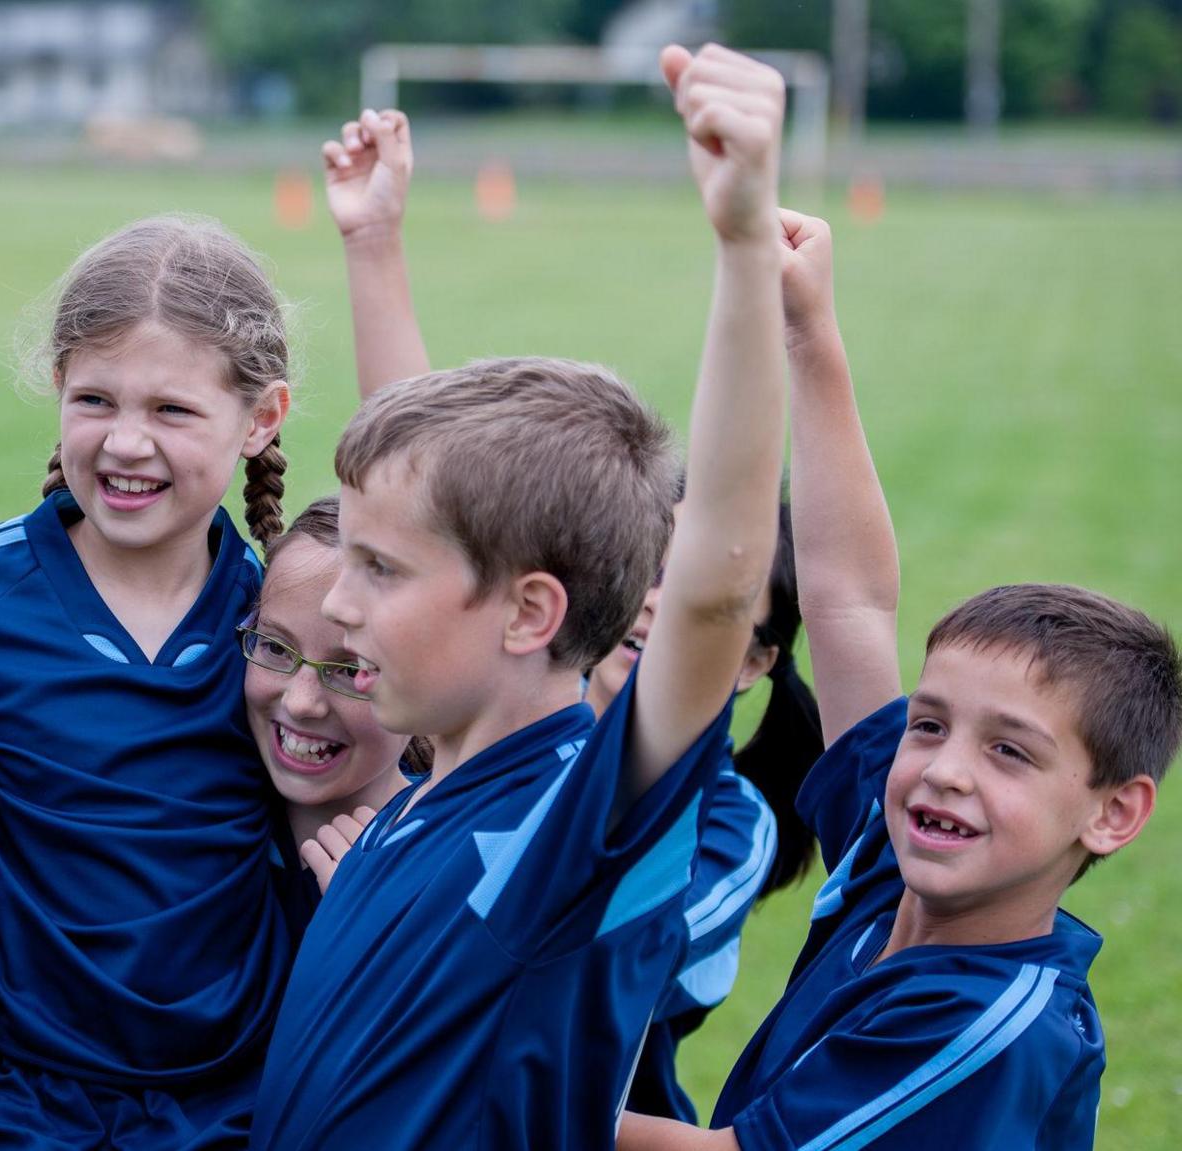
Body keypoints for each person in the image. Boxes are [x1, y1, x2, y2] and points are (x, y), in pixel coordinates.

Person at [250, 44, 792, 1149]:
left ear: (528, 614)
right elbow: (423, 489)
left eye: (377, 573)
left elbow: (708, 593)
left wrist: (741, 247)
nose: (336, 605)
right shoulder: (426, 764)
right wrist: (371, 246)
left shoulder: (568, 826)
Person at [612, 209, 1182, 1151]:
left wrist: (483, 1064)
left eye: (1009, 750)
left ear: (1112, 812)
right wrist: (808, 330)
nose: (945, 768)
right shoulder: (894, 869)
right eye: (928, 724)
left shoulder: (993, 1022)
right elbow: (849, 606)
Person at [0, 214, 292, 1149]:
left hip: (240, 1099)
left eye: (171, 410)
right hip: (22, 1101)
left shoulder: (283, 617)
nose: (125, 443)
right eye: (94, 401)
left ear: (262, 419)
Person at [589, 503, 824, 1123]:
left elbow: (593, 964)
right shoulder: (508, 729)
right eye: (653, 571)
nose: (662, 604)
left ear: (753, 663)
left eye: (706, 594)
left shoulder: (733, 829)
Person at [241, 497, 418, 906]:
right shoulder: (209, 817)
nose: (302, 702)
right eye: (277, 649)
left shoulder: (451, 854)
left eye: (350, 669)